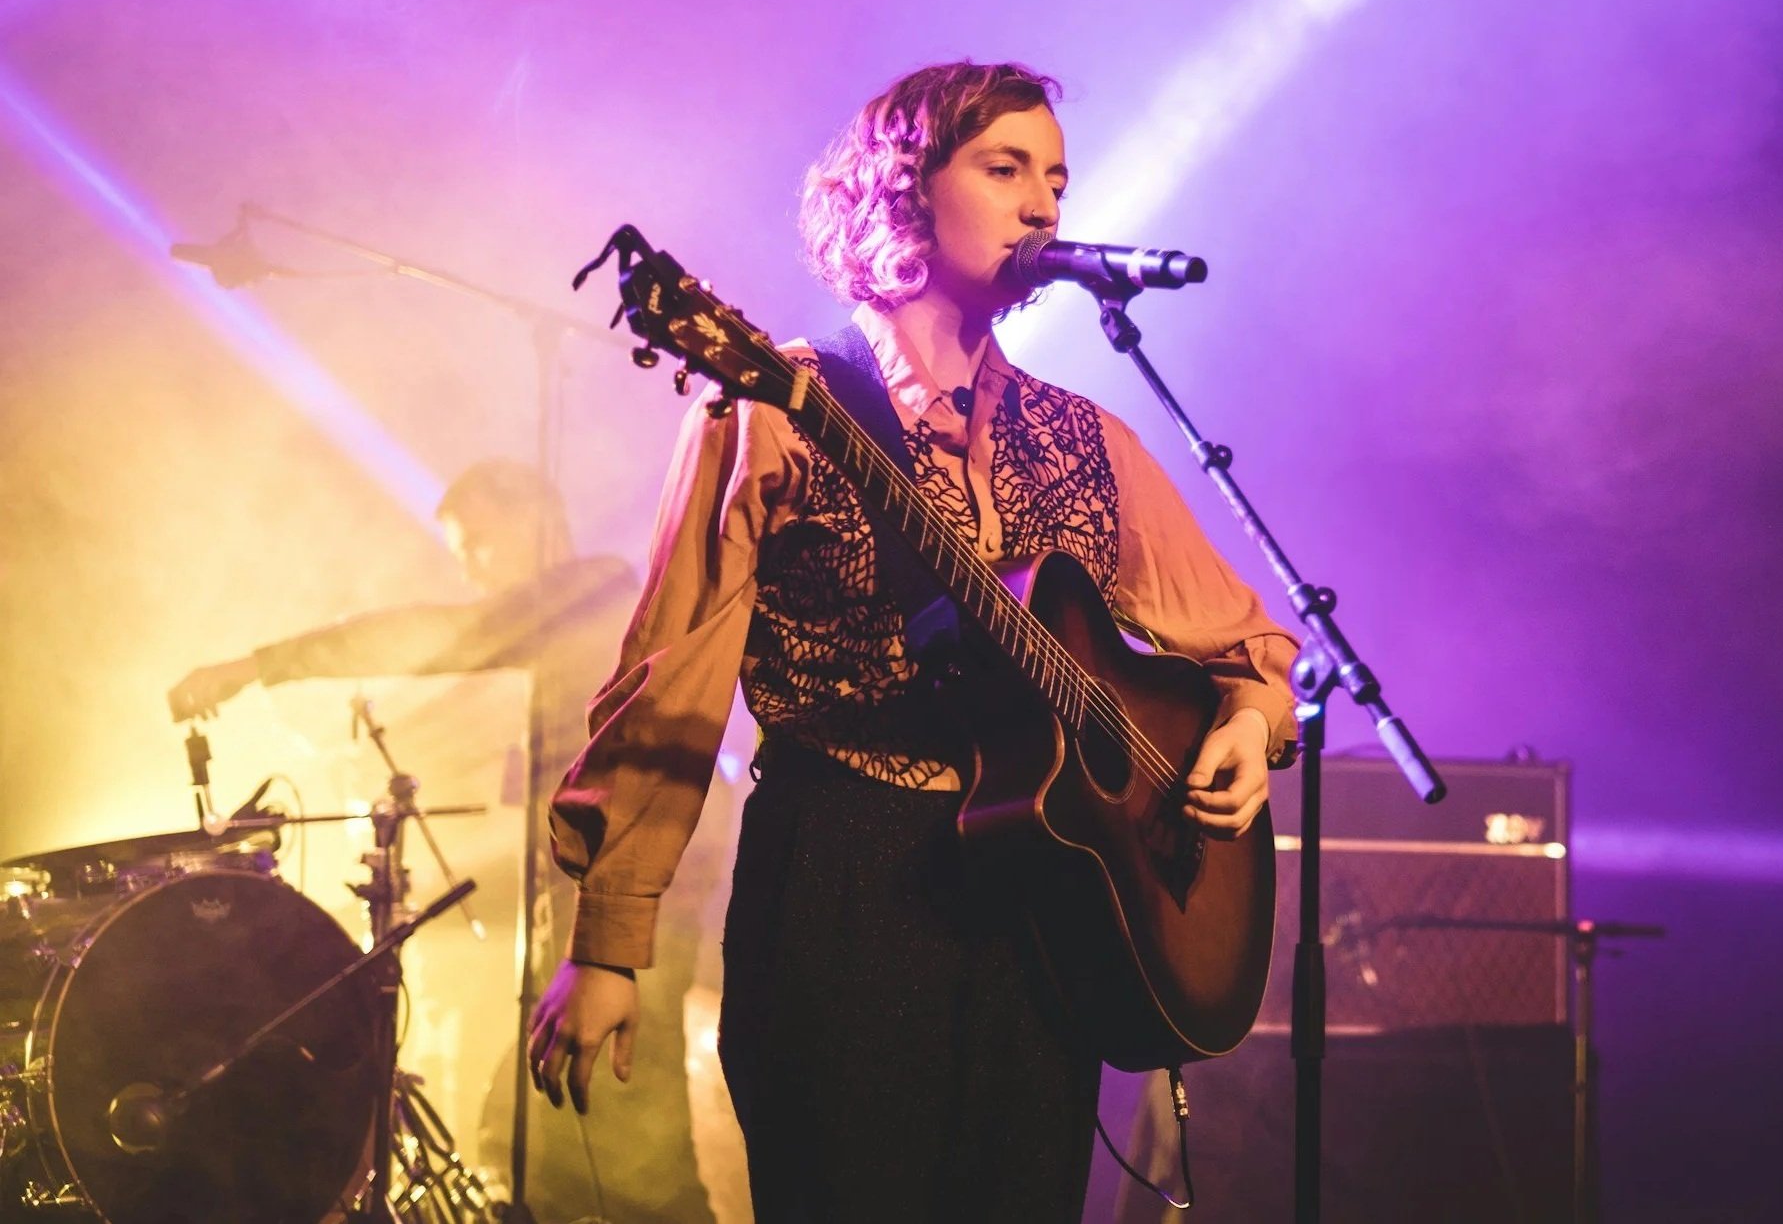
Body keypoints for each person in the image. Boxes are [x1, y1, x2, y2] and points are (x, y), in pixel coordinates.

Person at [526, 60, 1297, 1222]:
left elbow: (1250, 647)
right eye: (1004, 169)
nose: (1044, 204)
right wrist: (610, 942)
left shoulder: (1085, 438)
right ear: (901, 193)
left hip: (1047, 901)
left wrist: (1247, 719)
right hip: (845, 878)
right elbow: (669, 686)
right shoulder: (777, 406)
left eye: (1057, 178)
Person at [168, 459, 720, 1224]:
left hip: (633, 911)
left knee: (622, 1150)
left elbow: (444, 635)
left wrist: (260, 665)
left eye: (479, 542)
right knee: (565, 1145)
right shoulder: (557, 645)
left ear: (534, 522)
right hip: (598, 909)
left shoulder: (592, 586)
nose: (468, 565)